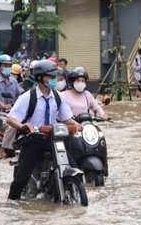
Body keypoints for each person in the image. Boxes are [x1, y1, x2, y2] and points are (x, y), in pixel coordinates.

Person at [5, 60, 83, 200]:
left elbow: (66, 118)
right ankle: (12, 203)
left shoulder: (59, 97)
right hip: (33, 140)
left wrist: (76, 124)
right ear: (40, 78)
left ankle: (69, 190)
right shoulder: (27, 97)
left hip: (54, 139)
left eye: (55, 77)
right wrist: (23, 126)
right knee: (20, 180)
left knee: (73, 167)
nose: (54, 80)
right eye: (50, 77)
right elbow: (10, 119)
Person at [0, 55, 24, 159]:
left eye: (9, 65)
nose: (7, 67)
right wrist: (3, 106)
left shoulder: (14, 81)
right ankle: (3, 149)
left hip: (14, 113)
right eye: (5, 65)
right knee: (12, 125)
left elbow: (21, 95)